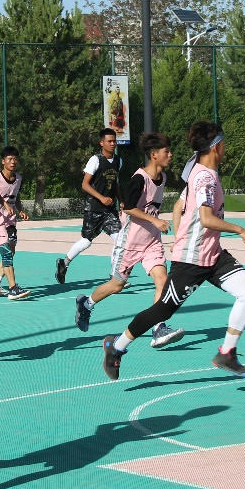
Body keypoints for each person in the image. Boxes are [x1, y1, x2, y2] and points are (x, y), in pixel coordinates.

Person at [101, 121, 245, 379]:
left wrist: (179, 236)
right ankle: (116, 347)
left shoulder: (200, 171)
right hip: (192, 260)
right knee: (161, 311)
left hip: (213, 255)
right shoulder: (204, 178)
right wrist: (238, 229)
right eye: (223, 143)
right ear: (216, 147)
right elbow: (206, 219)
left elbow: (178, 206)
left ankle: (227, 353)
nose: (225, 148)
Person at [74, 132, 184, 349]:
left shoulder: (162, 177)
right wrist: (155, 220)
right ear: (154, 155)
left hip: (151, 241)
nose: (170, 155)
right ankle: (86, 303)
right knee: (117, 285)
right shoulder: (139, 178)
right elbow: (129, 208)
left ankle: (158, 328)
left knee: (162, 280)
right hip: (130, 242)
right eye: (167, 151)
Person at [56, 128, 123, 283]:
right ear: (102, 143)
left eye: (114, 141)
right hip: (93, 209)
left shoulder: (118, 161)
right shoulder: (95, 160)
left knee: (120, 240)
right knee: (86, 241)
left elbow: (115, 183)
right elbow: (85, 185)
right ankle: (64, 263)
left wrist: (121, 200)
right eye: (109, 141)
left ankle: (114, 276)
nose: (113, 144)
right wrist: (101, 198)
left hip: (109, 211)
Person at [0, 146, 31, 300]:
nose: (13, 162)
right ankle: (8, 287)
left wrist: (20, 210)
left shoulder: (19, 178)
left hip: (10, 220)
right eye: (9, 159)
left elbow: (16, 196)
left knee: (10, 252)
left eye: (15, 159)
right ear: (3, 161)